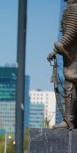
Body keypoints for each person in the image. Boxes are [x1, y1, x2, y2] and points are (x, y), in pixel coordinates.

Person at [48, 0, 77, 129]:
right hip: (72, 54)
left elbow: (71, 32)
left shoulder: (74, 7)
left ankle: (68, 120)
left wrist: (58, 47)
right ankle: (68, 119)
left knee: (70, 83)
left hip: (73, 55)